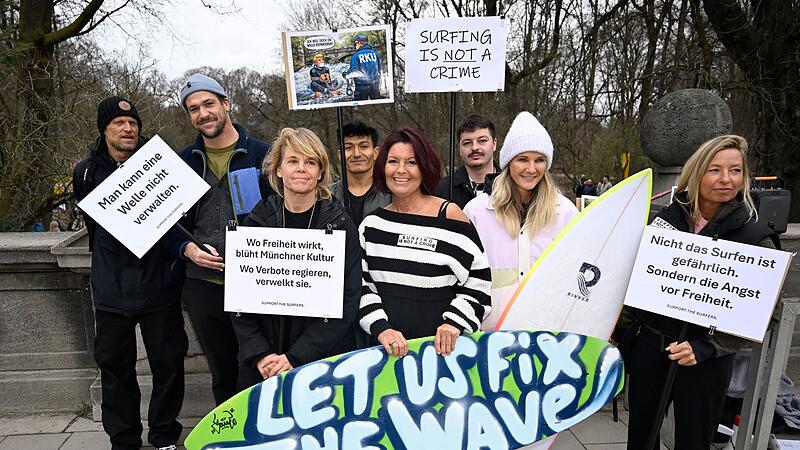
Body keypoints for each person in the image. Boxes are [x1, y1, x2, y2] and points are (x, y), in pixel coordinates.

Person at [622, 135, 780, 450]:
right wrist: (625, 331)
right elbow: (634, 280)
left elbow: (764, 313)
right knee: (640, 438)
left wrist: (709, 347)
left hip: (705, 361)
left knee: (694, 442)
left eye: (735, 170)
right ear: (696, 173)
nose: (726, 179)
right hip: (650, 349)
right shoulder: (664, 222)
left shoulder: (754, 237)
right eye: (714, 170)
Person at [73, 96, 187, 450]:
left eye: (133, 123)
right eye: (119, 123)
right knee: (114, 369)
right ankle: (124, 440)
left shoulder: (160, 164)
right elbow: (94, 228)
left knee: (169, 364)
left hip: (158, 284)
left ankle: (164, 433)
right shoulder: (85, 172)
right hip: (111, 289)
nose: (128, 129)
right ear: (104, 129)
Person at [163, 73, 271, 406]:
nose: (203, 113)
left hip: (258, 284)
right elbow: (164, 224)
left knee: (261, 367)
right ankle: (228, 429)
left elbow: (283, 215)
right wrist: (186, 249)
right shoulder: (182, 162)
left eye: (208, 103)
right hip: (203, 287)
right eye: (193, 109)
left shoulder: (263, 155)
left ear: (226, 103)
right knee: (222, 372)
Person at [232, 127, 360, 388]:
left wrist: (296, 356)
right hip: (264, 364)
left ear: (320, 172)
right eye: (293, 161)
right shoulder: (256, 223)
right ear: (279, 169)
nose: (301, 169)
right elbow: (239, 302)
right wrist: (260, 353)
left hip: (322, 362)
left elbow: (348, 300)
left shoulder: (340, 225)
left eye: (310, 162)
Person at [358, 127, 492, 358]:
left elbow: (479, 281)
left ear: (424, 167)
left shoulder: (450, 216)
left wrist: (455, 322)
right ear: (382, 167)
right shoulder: (372, 226)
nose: (401, 170)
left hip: (444, 354)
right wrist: (381, 328)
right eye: (393, 161)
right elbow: (361, 287)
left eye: (411, 162)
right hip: (386, 355)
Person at [463, 111, 579, 330]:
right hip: (491, 334)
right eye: (523, 159)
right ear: (509, 163)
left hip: (547, 332)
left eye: (539, 160)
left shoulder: (564, 212)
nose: (531, 169)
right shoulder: (477, 211)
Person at [331, 121, 391, 228]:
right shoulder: (327, 196)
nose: (357, 154)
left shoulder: (391, 194)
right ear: (340, 155)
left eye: (364, 146)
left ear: (375, 153)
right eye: (348, 148)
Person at [435, 114, 499, 208]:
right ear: (460, 149)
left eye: (482, 141)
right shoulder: (443, 190)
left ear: (494, 144)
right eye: (467, 143)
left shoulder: (511, 186)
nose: (474, 147)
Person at [343, 33, 382, 101]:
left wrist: (346, 74)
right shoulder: (375, 54)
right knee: (376, 103)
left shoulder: (356, 56)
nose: (355, 46)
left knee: (360, 104)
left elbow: (353, 71)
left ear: (360, 43)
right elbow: (380, 68)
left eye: (355, 43)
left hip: (361, 86)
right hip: (375, 85)